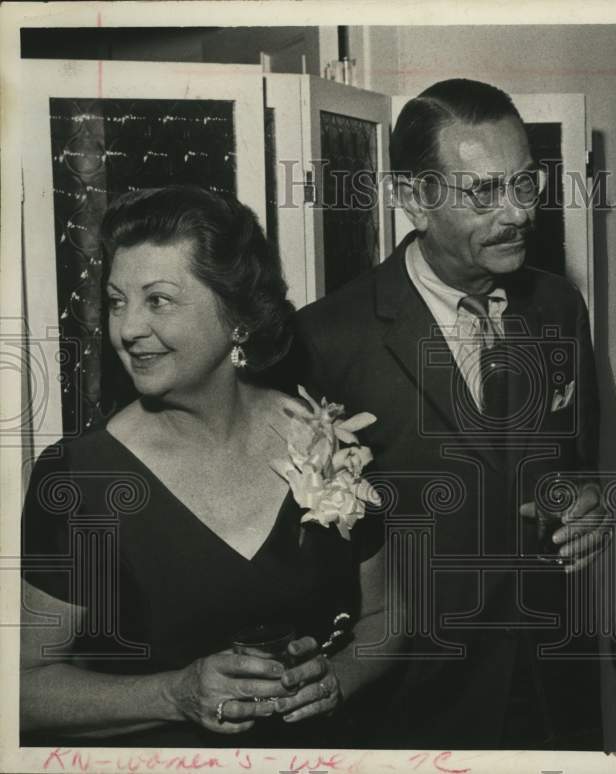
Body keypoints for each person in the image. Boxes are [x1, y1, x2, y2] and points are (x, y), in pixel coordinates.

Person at [285, 78, 610, 749]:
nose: (518, 212)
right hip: (410, 705)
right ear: (413, 199)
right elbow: (308, 558)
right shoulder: (328, 340)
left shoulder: (558, 309)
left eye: (525, 183)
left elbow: (577, 465)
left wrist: (584, 500)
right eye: (484, 192)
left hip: (553, 689)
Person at [20, 185, 395, 747]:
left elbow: (389, 616)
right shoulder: (79, 478)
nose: (126, 329)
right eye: (117, 300)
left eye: (158, 300)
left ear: (237, 316)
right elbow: (19, 689)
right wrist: (173, 694)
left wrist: (337, 679)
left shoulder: (327, 434)